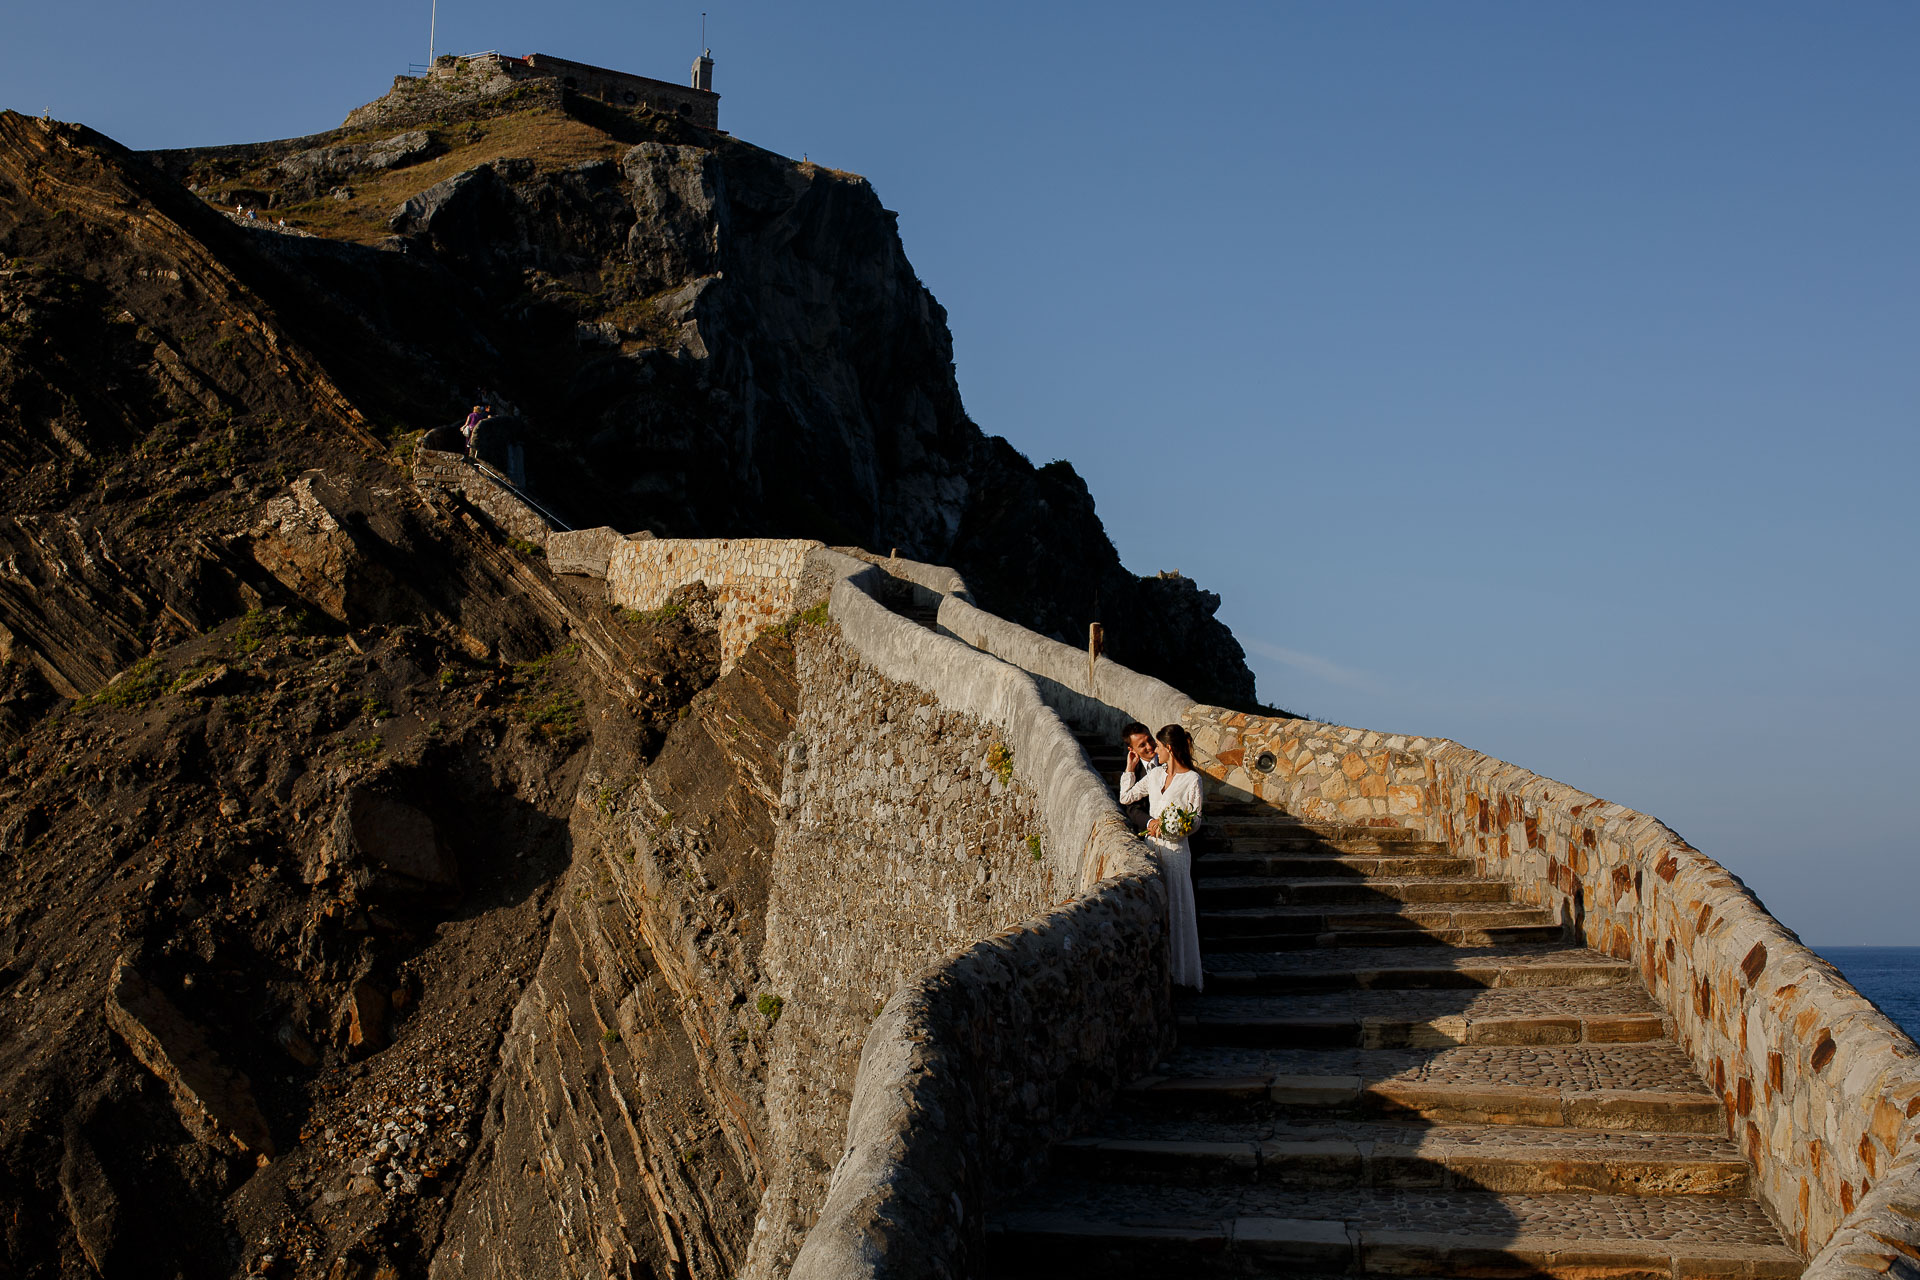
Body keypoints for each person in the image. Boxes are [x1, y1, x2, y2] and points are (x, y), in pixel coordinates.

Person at [1122, 723, 1204, 990]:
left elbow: (1197, 820)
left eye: (1157, 745)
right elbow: (1126, 797)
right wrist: (1129, 769)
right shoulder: (1155, 775)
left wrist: (1173, 827)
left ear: (1168, 748)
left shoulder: (1193, 779)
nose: (1154, 750)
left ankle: (1181, 974)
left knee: (1179, 908)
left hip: (1177, 851)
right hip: (1152, 848)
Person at [1117, 721, 1159, 832]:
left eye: (1150, 739)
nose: (1150, 746)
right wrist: (1150, 822)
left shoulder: (1168, 762)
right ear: (1132, 750)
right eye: (1142, 745)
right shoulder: (1133, 771)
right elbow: (1130, 806)